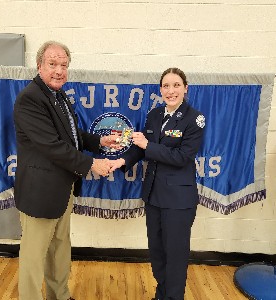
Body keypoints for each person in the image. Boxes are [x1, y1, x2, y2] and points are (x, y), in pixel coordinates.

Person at [13, 40, 119, 300]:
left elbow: (70, 135)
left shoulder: (58, 95)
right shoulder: (30, 99)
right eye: (53, 64)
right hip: (40, 192)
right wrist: (92, 163)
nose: (59, 70)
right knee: (33, 256)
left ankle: (58, 295)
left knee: (60, 248)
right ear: (39, 66)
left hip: (62, 189)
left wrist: (98, 141)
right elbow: (52, 145)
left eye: (63, 65)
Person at [110, 67, 205, 300]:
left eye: (176, 85)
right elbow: (141, 148)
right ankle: (162, 295)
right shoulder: (154, 115)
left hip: (178, 201)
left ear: (185, 88)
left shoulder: (195, 119)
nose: (170, 91)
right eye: (166, 86)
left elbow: (182, 157)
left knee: (175, 255)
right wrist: (122, 160)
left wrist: (147, 146)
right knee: (157, 253)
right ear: (160, 89)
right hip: (153, 196)